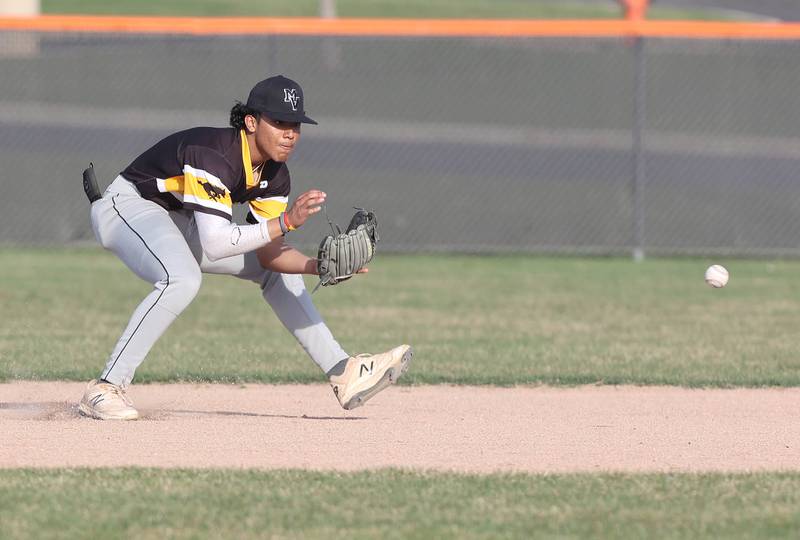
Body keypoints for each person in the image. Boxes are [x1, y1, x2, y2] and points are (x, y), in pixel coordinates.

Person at [79, 75, 413, 420]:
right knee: (182, 278)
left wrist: (317, 266)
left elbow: (269, 254)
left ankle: (343, 371)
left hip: (176, 220)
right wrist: (286, 222)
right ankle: (105, 387)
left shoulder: (276, 175)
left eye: (296, 125)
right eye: (280, 122)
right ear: (251, 122)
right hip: (126, 207)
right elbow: (216, 242)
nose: (290, 133)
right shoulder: (211, 155)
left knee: (272, 273)